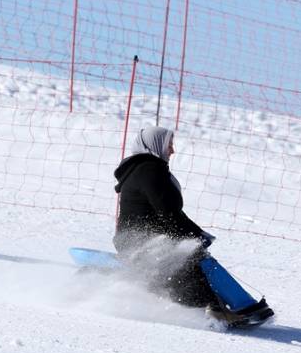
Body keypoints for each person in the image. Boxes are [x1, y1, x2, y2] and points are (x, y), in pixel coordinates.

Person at [114, 125, 270, 325]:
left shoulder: (146, 169)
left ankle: (227, 304)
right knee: (187, 257)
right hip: (141, 242)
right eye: (168, 144)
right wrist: (192, 237)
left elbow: (169, 211)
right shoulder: (149, 170)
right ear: (155, 144)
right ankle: (212, 309)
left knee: (192, 252)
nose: (172, 150)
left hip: (137, 239)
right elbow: (168, 214)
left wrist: (196, 233)